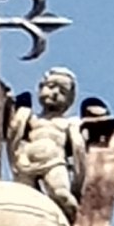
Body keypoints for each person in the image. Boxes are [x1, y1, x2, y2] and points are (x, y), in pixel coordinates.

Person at [8, 67, 84, 218]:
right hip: (26, 164)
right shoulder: (29, 117)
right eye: (51, 87)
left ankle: (76, 224)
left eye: (62, 91)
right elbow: (10, 132)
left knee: (61, 195)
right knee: (23, 202)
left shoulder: (69, 123)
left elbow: (79, 149)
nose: (55, 93)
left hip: (54, 163)